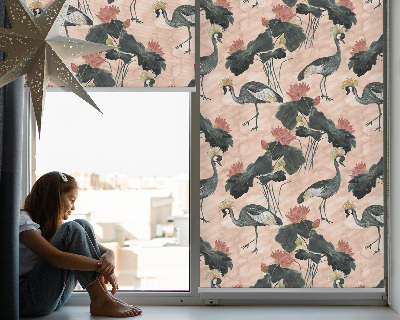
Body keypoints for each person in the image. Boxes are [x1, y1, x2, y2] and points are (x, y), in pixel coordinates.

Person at [19, 171, 142, 317]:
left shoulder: (49, 225)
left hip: (52, 299)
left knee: (81, 224)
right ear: (55, 198)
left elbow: (93, 248)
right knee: (72, 228)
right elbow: (56, 258)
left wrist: (110, 254)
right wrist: (102, 268)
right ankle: (101, 301)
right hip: (28, 301)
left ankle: (104, 298)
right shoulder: (23, 221)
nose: (73, 207)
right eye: (71, 200)